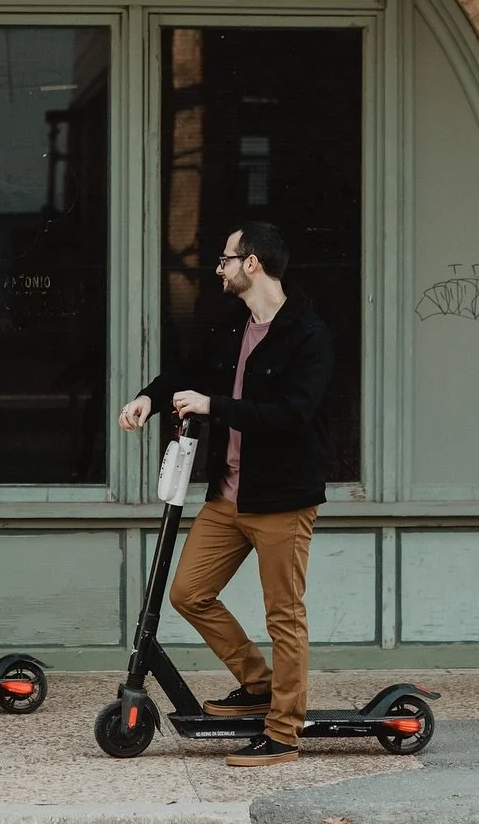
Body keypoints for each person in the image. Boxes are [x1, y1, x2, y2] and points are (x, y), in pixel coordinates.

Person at [119, 221, 333, 767]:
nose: (219, 269)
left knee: (284, 615)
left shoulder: (307, 333)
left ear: (253, 263)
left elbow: (293, 414)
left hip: (282, 499)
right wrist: (149, 397)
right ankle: (258, 685)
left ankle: (284, 733)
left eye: (225, 260)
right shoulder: (232, 327)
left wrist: (216, 407)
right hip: (227, 497)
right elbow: (188, 372)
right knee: (189, 593)